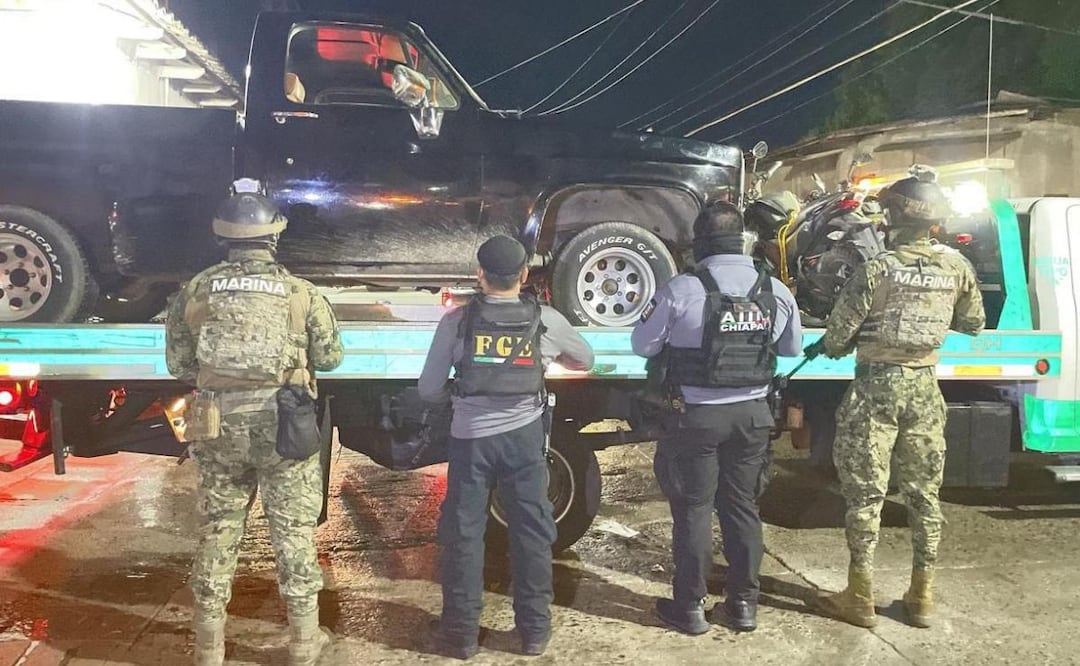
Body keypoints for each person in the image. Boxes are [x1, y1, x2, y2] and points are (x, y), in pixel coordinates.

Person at [166, 186, 344, 666]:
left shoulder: (196, 290)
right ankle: (304, 643)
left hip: (217, 425)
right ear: (274, 237)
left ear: (223, 237)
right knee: (293, 531)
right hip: (284, 427)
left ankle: (209, 647)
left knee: (219, 529)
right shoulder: (300, 293)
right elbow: (329, 357)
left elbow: (179, 363)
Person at [807, 175, 985, 629]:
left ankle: (860, 596)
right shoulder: (957, 266)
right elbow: (974, 322)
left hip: (875, 390)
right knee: (925, 496)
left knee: (866, 496)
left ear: (896, 217)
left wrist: (834, 344)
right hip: (925, 389)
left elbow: (837, 338)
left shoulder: (877, 269)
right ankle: (921, 597)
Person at [418, 235, 594, 659]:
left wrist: (458, 398)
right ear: (524, 275)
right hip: (524, 441)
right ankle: (533, 633)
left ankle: (460, 636)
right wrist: (550, 362)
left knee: (464, 534)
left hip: (470, 441)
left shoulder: (456, 322)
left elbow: (427, 390)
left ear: (479, 275)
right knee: (532, 532)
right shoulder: (545, 320)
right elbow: (585, 360)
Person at [632, 202, 802, 634]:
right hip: (752, 416)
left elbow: (643, 345)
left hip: (697, 417)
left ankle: (689, 608)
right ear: (742, 239)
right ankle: (743, 606)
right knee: (742, 507)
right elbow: (790, 350)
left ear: (701, 242)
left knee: (693, 509)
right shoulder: (775, 289)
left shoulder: (682, 288)